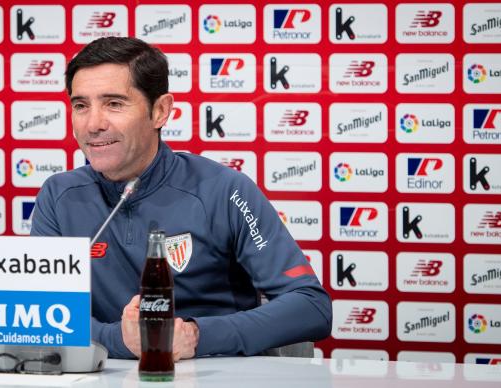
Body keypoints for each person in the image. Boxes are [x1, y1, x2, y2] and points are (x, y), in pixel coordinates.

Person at [31, 37, 332, 360]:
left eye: (114, 104)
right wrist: (121, 340)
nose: (94, 124)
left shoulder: (223, 189)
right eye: (81, 106)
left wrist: (196, 335)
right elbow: (36, 315)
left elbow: (311, 306)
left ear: (160, 111)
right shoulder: (59, 195)